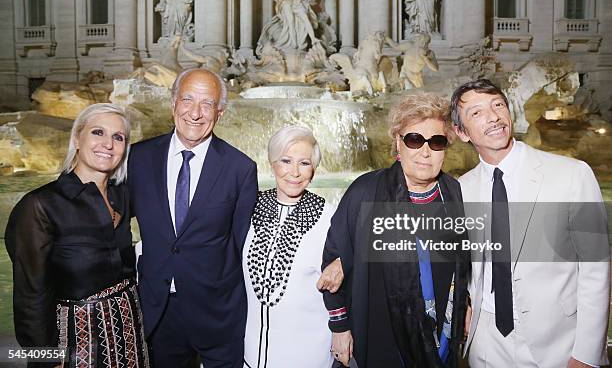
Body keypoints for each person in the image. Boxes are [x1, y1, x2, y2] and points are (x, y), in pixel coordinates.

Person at [450, 79, 610, 368]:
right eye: (476, 113)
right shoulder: (461, 189)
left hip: (556, 343)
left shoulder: (572, 174)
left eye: (498, 105)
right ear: (461, 132)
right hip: (485, 343)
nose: (493, 117)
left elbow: (595, 267)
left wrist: (587, 353)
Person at [321, 93, 470, 367]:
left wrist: (464, 301)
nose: (426, 151)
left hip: (442, 336)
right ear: (398, 143)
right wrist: (340, 328)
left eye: (436, 142)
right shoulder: (366, 191)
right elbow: (333, 257)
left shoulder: (453, 191)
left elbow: (460, 261)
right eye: (415, 139)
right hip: (382, 337)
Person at [128, 68, 258, 367]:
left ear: (220, 112)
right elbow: (117, 223)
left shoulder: (241, 169)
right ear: (173, 103)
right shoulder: (138, 158)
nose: (196, 113)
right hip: (158, 313)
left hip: (217, 314)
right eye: (187, 99)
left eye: (207, 104)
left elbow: (241, 244)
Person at [5, 103, 149, 367]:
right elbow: (30, 299)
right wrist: (44, 360)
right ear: (76, 138)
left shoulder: (123, 196)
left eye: (118, 138)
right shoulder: (40, 205)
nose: (108, 144)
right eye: (98, 132)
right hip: (74, 346)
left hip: (131, 336)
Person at [242, 126, 335, 368]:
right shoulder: (249, 208)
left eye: (304, 163)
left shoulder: (329, 217)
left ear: (313, 170)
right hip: (249, 352)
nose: (294, 172)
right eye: (286, 161)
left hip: (307, 354)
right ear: (272, 164)